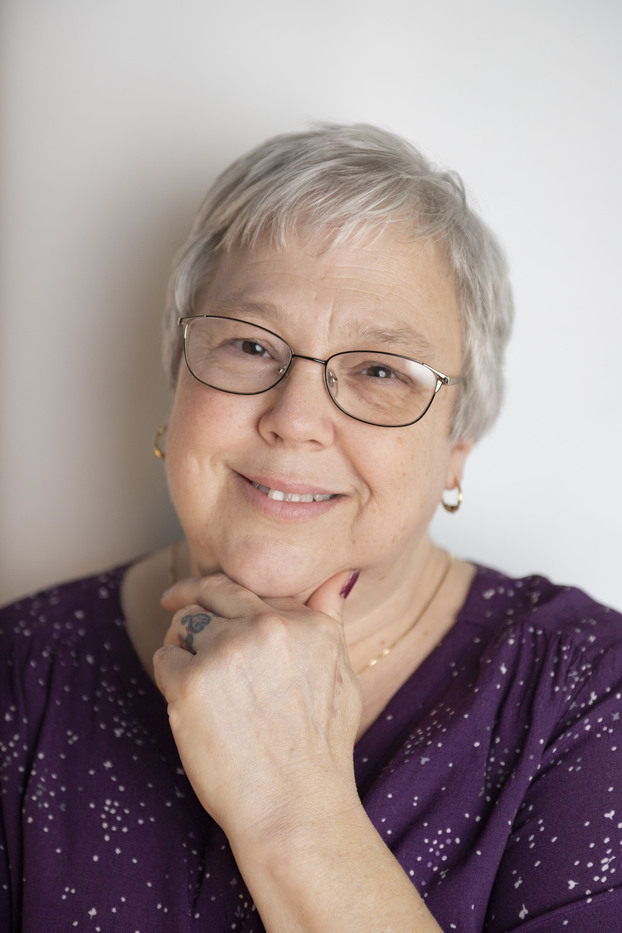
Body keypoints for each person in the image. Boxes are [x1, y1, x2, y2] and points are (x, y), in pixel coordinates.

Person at [1, 124, 621, 933]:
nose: (296, 419)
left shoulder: (585, 693)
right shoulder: (20, 672)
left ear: (455, 450)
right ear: (177, 388)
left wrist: (290, 809)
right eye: (251, 344)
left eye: (379, 370)